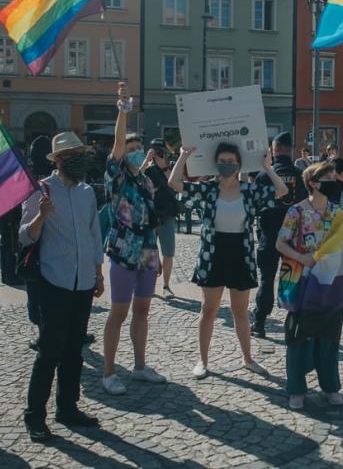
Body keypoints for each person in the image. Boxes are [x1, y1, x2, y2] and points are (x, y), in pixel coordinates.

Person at [169, 143, 288, 379]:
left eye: (231, 161)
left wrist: (267, 167)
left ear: (239, 164)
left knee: (240, 311)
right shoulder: (208, 189)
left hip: (240, 255)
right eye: (222, 161)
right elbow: (174, 183)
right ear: (216, 164)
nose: (227, 165)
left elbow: (282, 191)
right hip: (213, 255)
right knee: (209, 309)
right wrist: (183, 156)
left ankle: (248, 359)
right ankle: (202, 361)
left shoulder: (249, 190)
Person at [19, 131, 105, 442]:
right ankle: (34, 416)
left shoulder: (86, 192)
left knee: (74, 351)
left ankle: (67, 407)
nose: (76, 159)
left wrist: (98, 273)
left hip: (82, 282)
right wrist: (41, 216)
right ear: (56, 161)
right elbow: (25, 236)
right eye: (69, 156)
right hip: (54, 283)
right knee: (49, 352)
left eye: (79, 154)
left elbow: (94, 234)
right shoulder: (41, 191)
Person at [100, 84, 167, 396]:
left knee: (143, 310)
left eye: (138, 146)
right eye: (131, 148)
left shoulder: (144, 180)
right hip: (123, 252)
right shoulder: (116, 177)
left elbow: (151, 221)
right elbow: (117, 143)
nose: (136, 150)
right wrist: (123, 111)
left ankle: (140, 366)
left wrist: (158, 257)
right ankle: (109, 372)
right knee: (119, 312)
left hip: (147, 252)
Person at [276, 162, 343, 409]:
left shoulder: (336, 211)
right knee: (299, 334)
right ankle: (296, 388)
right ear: (315, 183)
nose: (335, 180)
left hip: (333, 281)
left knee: (330, 334)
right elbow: (280, 243)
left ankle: (330, 386)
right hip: (303, 279)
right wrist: (304, 258)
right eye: (329, 177)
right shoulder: (296, 211)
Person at [251, 132, 308, 338]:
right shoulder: (299, 174)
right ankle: (291, 325)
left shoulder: (264, 174)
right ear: (290, 148)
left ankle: (259, 322)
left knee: (266, 280)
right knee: (291, 279)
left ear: (273, 150)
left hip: (268, 234)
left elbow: (255, 205)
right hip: (291, 237)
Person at [146, 138, 180, 299]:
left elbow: (175, 184)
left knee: (168, 252)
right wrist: (147, 161)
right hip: (149, 216)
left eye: (161, 151)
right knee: (149, 252)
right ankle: (148, 285)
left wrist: (165, 167)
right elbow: (136, 179)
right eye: (155, 151)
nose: (158, 154)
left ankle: (166, 286)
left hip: (166, 215)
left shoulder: (170, 167)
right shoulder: (146, 168)